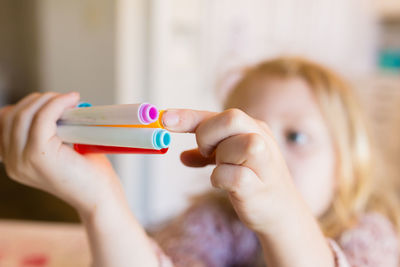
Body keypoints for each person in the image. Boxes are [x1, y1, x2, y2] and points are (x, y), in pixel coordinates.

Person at [0, 57, 398, 267]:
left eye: (296, 136)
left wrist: (283, 215)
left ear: (347, 165)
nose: (265, 151)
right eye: (248, 132)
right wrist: (100, 198)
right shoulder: (212, 221)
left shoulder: (370, 235)